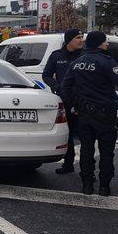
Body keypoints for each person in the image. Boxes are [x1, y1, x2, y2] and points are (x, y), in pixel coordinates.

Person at [62, 31, 118, 196]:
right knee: (106, 151)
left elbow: (66, 86)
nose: (107, 44)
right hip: (104, 114)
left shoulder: (77, 62)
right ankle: (104, 187)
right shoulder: (107, 62)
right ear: (99, 44)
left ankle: (86, 186)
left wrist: (74, 104)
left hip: (84, 113)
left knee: (86, 151)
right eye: (105, 41)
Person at [42, 29, 84, 175]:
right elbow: (46, 75)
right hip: (66, 99)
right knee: (68, 133)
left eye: (82, 37)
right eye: (78, 37)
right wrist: (57, 87)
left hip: (83, 100)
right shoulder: (57, 56)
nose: (81, 40)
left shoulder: (85, 55)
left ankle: (86, 168)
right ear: (69, 40)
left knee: (86, 135)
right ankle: (68, 163)